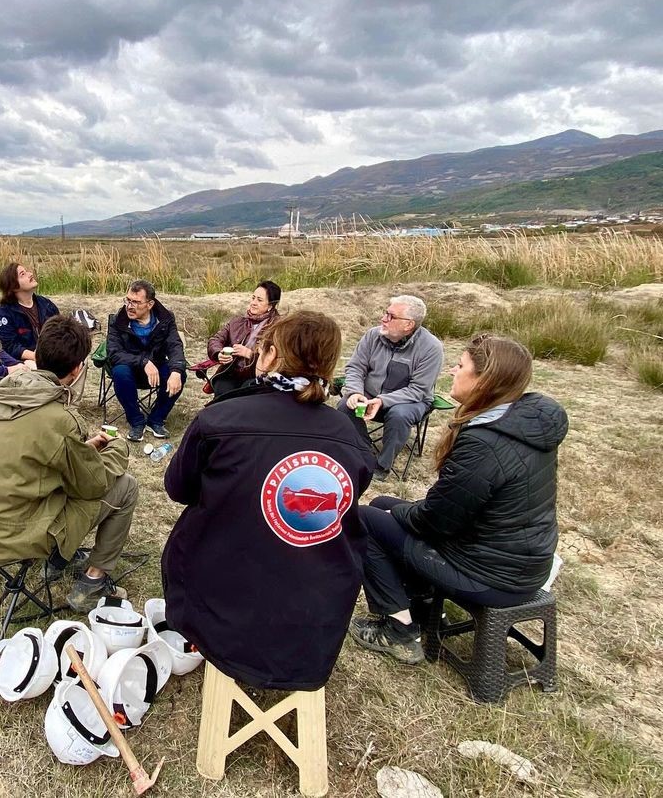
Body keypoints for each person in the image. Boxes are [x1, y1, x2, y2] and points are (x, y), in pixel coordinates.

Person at [161, 310, 375, 690]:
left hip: (221, 606)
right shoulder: (351, 435)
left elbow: (178, 489)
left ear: (271, 355)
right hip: (315, 615)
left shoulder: (220, 419)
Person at [348, 334, 568, 665]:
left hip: (490, 575)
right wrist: (400, 510)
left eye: (461, 365)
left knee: (363, 517)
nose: (453, 370)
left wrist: (403, 512)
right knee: (382, 507)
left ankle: (399, 630)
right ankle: (422, 609)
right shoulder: (521, 423)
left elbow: (436, 522)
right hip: (520, 562)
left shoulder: (486, 442)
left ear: (485, 379)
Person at [0, 315, 138, 611]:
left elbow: (32, 459)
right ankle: (92, 583)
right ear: (77, 369)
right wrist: (117, 448)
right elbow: (92, 485)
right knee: (126, 486)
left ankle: (58, 559)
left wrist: (84, 449)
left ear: (38, 356)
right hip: (11, 537)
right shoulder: (59, 419)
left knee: (61, 485)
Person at [338, 294, 444, 480]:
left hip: (410, 401)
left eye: (391, 316)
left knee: (399, 414)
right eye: (385, 313)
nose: (383, 319)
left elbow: (418, 390)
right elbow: (355, 367)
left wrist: (382, 400)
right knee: (346, 405)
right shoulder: (373, 335)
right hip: (370, 395)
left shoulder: (431, 347)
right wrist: (355, 392)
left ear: (408, 324)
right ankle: (364, 451)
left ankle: (382, 466)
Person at [106, 279, 187, 442]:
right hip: (130, 370)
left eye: (136, 302)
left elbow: (175, 345)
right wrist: (143, 361)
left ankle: (156, 419)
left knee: (180, 374)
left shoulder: (165, 318)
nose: (129, 306)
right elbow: (114, 353)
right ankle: (136, 421)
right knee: (120, 371)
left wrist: (177, 370)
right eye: (127, 300)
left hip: (156, 369)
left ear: (150, 304)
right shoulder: (117, 320)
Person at [206, 280, 282, 397]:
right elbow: (215, 340)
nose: (253, 302)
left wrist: (250, 354)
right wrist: (218, 353)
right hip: (231, 371)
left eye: (259, 300)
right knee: (222, 389)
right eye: (253, 298)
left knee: (245, 391)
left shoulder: (278, 328)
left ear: (270, 306)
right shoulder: (237, 322)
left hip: (258, 375)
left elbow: (279, 359)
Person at [0, 262, 59, 364]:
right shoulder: (4, 315)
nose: (30, 274)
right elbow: (9, 346)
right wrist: (35, 356)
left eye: (27, 271)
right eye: (22, 274)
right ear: (13, 286)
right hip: (23, 364)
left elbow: (60, 330)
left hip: (52, 356)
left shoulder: (46, 304)